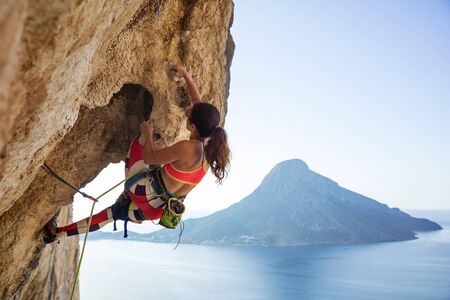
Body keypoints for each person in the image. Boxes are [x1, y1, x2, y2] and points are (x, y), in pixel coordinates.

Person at [43, 65, 230, 243]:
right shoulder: (209, 150)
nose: (187, 111)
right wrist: (186, 76)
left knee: (137, 144)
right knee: (111, 214)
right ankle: (56, 234)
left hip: (142, 191)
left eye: (189, 116)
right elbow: (199, 105)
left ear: (193, 126)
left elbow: (149, 158)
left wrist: (147, 134)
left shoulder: (188, 148)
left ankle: (129, 192)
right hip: (157, 210)